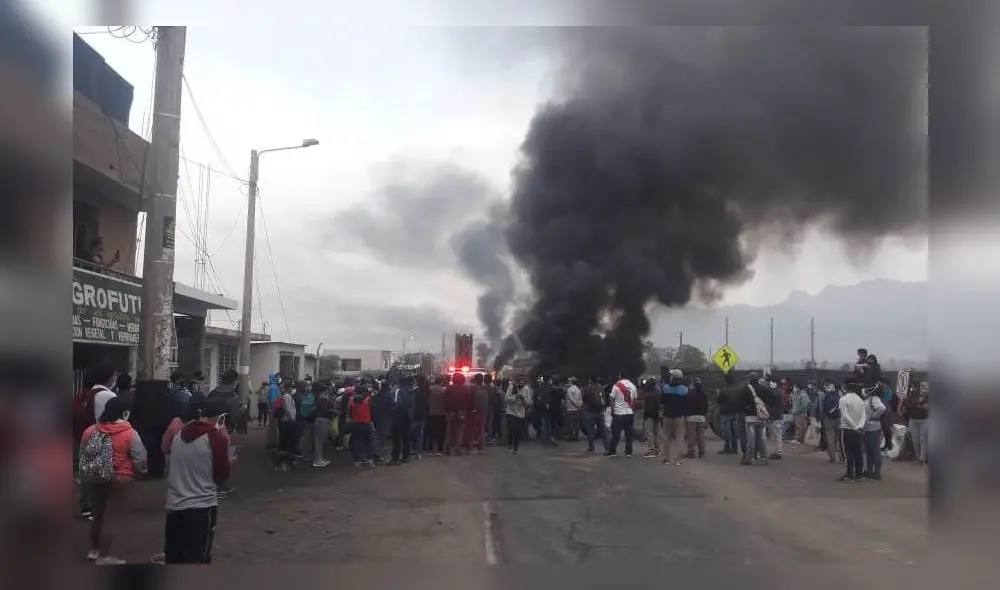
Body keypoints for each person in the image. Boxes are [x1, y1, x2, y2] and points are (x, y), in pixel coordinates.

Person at [163, 396, 232, 564]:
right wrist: (230, 463)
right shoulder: (216, 438)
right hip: (201, 507)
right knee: (198, 558)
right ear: (219, 417)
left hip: (175, 505)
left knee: (174, 557)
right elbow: (220, 476)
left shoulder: (179, 433)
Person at [79, 396, 148, 564]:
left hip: (96, 477)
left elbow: (83, 455)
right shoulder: (130, 433)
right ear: (124, 413)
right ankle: (104, 556)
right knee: (110, 517)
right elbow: (140, 458)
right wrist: (141, 472)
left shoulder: (90, 431)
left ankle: (94, 551)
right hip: (121, 478)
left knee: (97, 516)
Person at [838, 382, 867, 483]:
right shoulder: (860, 400)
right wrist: (860, 426)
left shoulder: (843, 399)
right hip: (858, 430)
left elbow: (845, 416)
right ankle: (859, 474)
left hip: (847, 429)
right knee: (857, 452)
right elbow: (864, 415)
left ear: (845, 388)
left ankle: (850, 474)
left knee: (848, 453)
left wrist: (854, 427)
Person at [661, 369, 689, 466]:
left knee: (666, 437)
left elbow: (662, 402)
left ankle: (666, 458)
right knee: (679, 438)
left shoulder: (665, 388)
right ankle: (678, 460)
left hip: (667, 416)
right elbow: (687, 404)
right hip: (679, 417)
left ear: (672, 377)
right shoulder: (685, 390)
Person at [740, 376, 770, 466]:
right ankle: (764, 458)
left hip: (750, 418)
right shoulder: (763, 388)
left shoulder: (747, 389)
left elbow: (743, 403)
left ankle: (750, 458)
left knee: (751, 440)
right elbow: (769, 399)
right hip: (762, 417)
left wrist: (747, 408)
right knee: (762, 439)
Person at [606, 378, 636, 457]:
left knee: (616, 433)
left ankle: (612, 451)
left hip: (619, 413)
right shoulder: (633, 386)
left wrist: (612, 411)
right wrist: (632, 410)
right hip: (629, 413)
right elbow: (634, 400)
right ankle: (628, 452)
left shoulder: (616, 386)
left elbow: (611, 398)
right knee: (629, 434)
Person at [861, 387, 886, 480]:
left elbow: (882, 408)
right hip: (867, 428)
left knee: (875, 449)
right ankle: (869, 471)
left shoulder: (874, 399)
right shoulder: (868, 399)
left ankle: (877, 472)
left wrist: (872, 417)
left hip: (873, 428)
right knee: (869, 451)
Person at [902, 381, 929, 465]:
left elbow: (927, 408)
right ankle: (917, 457)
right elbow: (907, 403)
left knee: (923, 439)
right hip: (913, 419)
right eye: (922, 387)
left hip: (924, 420)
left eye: (926, 387)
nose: (924, 389)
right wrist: (919, 405)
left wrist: (917, 405)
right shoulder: (913, 394)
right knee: (915, 440)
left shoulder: (929, 396)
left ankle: (922, 459)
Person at [444, 373, 472, 455]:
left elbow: (445, 400)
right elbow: (469, 401)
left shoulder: (449, 388)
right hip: (462, 411)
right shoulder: (466, 389)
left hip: (451, 411)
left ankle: (448, 448)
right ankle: (458, 448)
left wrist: (446, 411)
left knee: (450, 429)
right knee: (460, 429)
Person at [347, 385, 375, 467]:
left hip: (355, 424)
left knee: (357, 442)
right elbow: (373, 410)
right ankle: (370, 459)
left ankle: (357, 461)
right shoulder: (368, 399)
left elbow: (349, 413)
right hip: (367, 423)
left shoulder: (351, 400)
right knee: (370, 442)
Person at [716, 372, 743, 455]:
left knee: (726, 431)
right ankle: (735, 448)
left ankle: (727, 447)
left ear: (726, 381)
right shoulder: (738, 390)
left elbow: (718, 401)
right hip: (735, 412)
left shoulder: (724, 391)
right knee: (734, 430)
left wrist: (718, 393)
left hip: (725, 412)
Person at [389, 377, 415, 464]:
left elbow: (397, 404)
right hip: (409, 417)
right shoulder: (412, 392)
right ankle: (406, 456)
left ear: (398, 383)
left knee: (397, 438)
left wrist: (392, 412)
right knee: (406, 438)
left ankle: (395, 458)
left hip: (398, 417)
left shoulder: (398, 391)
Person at [581, 378, 607, 453]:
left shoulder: (588, 389)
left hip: (590, 411)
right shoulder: (602, 388)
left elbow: (584, 399)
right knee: (603, 430)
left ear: (590, 380)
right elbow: (604, 398)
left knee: (590, 431)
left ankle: (591, 447)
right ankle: (607, 446)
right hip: (600, 411)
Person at [504, 377, 529, 454]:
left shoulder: (526, 389)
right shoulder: (511, 387)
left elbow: (527, 403)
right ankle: (510, 445)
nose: (521, 384)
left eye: (523, 383)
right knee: (512, 428)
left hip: (520, 413)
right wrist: (515, 397)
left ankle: (516, 447)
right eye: (520, 382)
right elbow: (506, 399)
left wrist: (523, 399)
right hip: (511, 411)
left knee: (518, 431)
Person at [685, 378, 709, 459]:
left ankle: (691, 452)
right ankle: (702, 452)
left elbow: (687, 405)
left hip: (691, 417)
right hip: (701, 418)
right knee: (701, 436)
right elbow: (706, 407)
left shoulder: (690, 394)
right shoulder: (704, 395)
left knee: (692, 435)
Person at [312, 383, 335, 467]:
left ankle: (319, 458)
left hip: (321, 420)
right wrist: (333, 411)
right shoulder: (323, 398)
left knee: (320, 441)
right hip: (323, 420)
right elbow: (325, 410)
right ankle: (317, 460)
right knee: (319, 441)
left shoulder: (319, 397)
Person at [639, 378, 662, 458]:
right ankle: (657, 450)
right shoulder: (658, 390)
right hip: (657, 414)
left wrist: (643, 387)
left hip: (649, 414)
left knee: (650, 433)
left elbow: (641, 396)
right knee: (657, 433)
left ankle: (651, 451)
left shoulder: (646, 391)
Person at [468, 373, 489, 453]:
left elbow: (469, 399)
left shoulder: (472, 388)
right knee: (481, 429)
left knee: (472, 429)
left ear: (475, 379)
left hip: (474, 411)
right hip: (483, 411)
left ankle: (472, 445)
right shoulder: (485, 388)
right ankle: (481, 446)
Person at [427, 376, 448, 455]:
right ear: (441, 382)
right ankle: (440, 448)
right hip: (442, 414)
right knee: (441, 432)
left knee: (432, 432)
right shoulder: (444, 390)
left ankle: (431, 449)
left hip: (432, 413)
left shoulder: (430, 389)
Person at [412, 376, 430, 458]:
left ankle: (414, 450)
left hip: (416, 415)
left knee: (413, 434)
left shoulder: (416, 391)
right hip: (424, 414)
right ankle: (419, 452)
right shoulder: (428, 390)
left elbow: (414, 404)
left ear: (417, 381)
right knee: (420, 434)